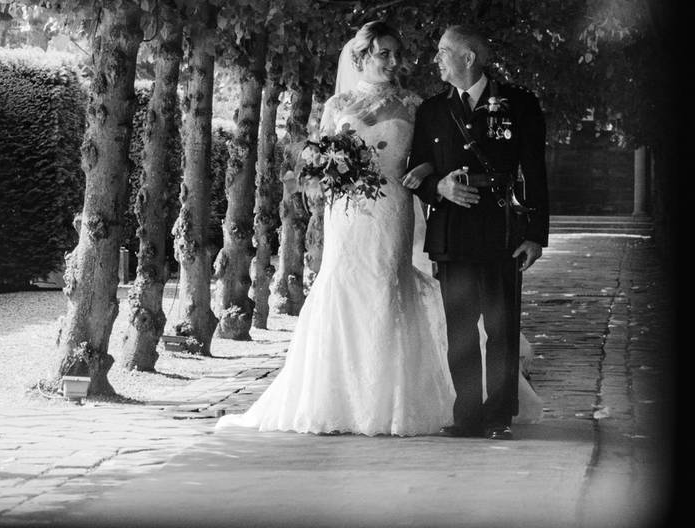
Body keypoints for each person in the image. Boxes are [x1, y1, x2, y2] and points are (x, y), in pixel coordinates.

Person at [216, 22, 455, 436]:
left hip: (393, 207)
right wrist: (315, 180)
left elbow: (436, 156)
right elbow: (317, 160)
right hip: (347, 214)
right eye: (384, 53)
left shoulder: (415, 104)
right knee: (342, 285)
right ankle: (339, 397)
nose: (394, 61)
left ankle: (390, 402)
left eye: (397, 53)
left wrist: (426, 167)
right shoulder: (337, 104)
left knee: (386, 284)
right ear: (361, 57)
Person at [408, 24, 550, 439]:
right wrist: (441, 188)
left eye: (442, 51)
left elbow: (535, 171)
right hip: (452, 230)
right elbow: (417, 171)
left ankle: (499, 416)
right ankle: (467, 415)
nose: (435, 58)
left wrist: (535, 234)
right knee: (461, 329)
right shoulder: (432, 110)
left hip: (501, 227)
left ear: (468, 57)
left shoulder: (519, 104)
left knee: (501, 328)